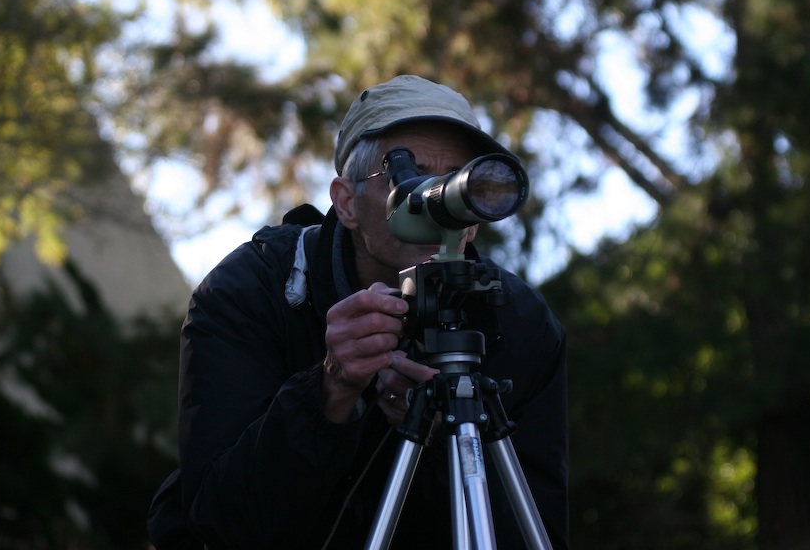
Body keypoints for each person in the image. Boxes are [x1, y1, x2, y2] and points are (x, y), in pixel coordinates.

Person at [147, 75, 569, 549]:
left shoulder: (520, 322)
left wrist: (447, 442)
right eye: (408, 175)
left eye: (457, 180)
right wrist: (328, 393)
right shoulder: (253, 291)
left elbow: (536, 529)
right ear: (346, 202)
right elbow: (221, 521)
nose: (437, 202)